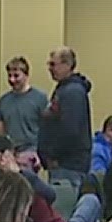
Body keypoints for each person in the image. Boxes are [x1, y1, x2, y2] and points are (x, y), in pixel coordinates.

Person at [36, 46, 94, 189]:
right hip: (63, 164)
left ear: (67, 65)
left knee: (63, 207)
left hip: (68, 166)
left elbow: (70, 130)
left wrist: (53, 156)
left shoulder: (72, 92)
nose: (49, 68)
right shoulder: (63, 90)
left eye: (53, 64)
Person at [0, 56, 48, 149]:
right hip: (11, 152)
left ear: (26, 75)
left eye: (16, 76)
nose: (12, 80)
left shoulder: (40, 98)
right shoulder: (3, 101)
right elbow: (1, 132)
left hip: (34, 152)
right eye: (9, 76)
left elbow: (48, 129)